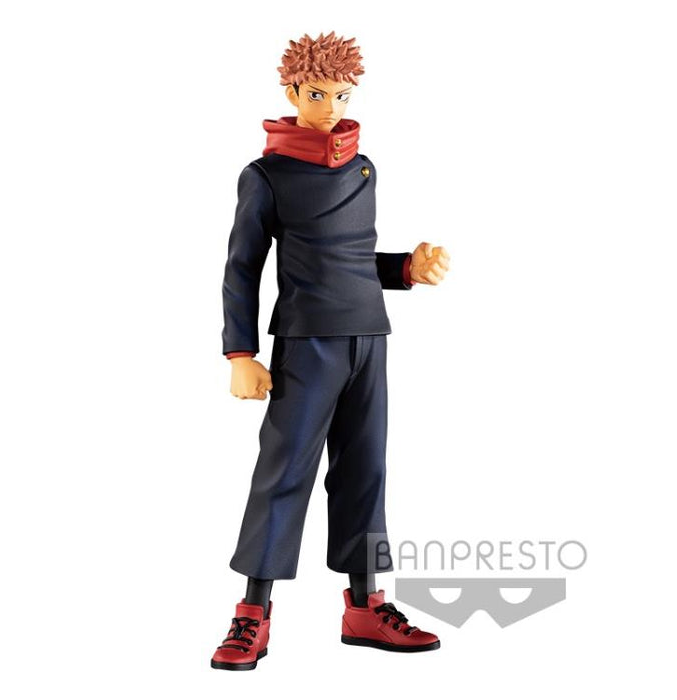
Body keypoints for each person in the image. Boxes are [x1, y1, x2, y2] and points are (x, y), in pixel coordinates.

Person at [212, 31, 450, 671]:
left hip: (369, 338)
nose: (332, 107)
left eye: (343, 95)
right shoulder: (266, 175)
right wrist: (240, 353)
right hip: (307, 342)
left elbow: (351, 260)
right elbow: (241, 268)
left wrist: (406, 268)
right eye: (318, 94)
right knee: (284, 471)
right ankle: (253, 613)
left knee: (365, 471)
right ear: (292, 92)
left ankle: (365, 606)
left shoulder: (363, 168)